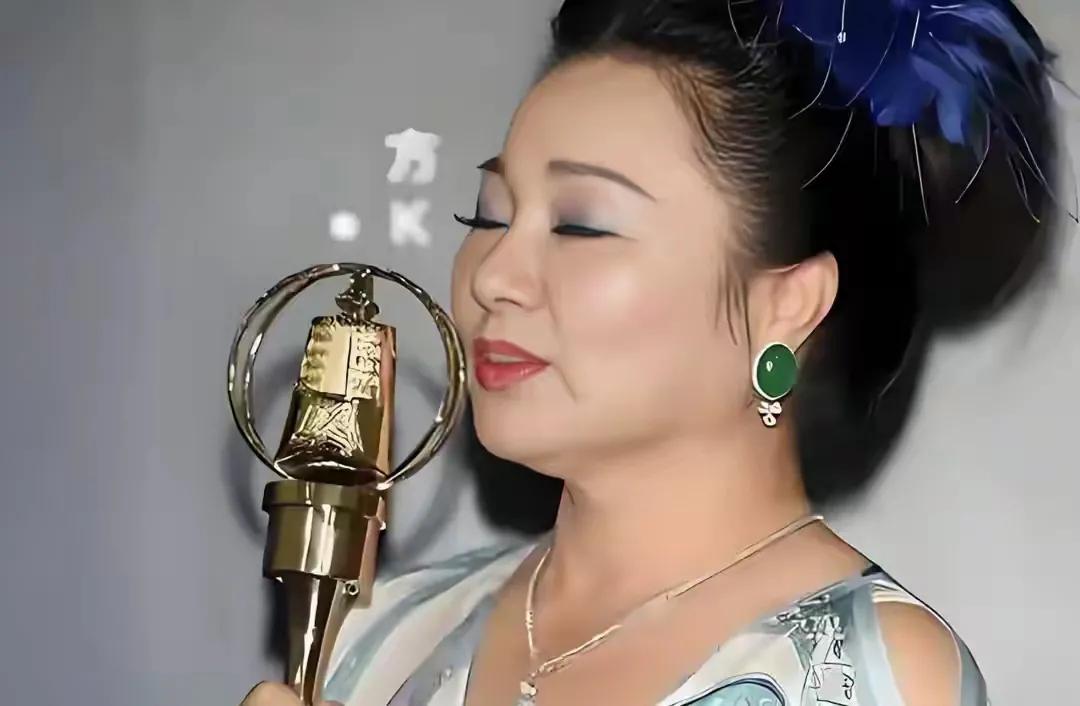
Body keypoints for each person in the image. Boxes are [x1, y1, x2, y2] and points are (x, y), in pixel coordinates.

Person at [243, 0, 1062, 704]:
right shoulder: (384, 633)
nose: (493, 276)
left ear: (786, 304)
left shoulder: (873, 676)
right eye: (488, 216)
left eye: (581, 225)